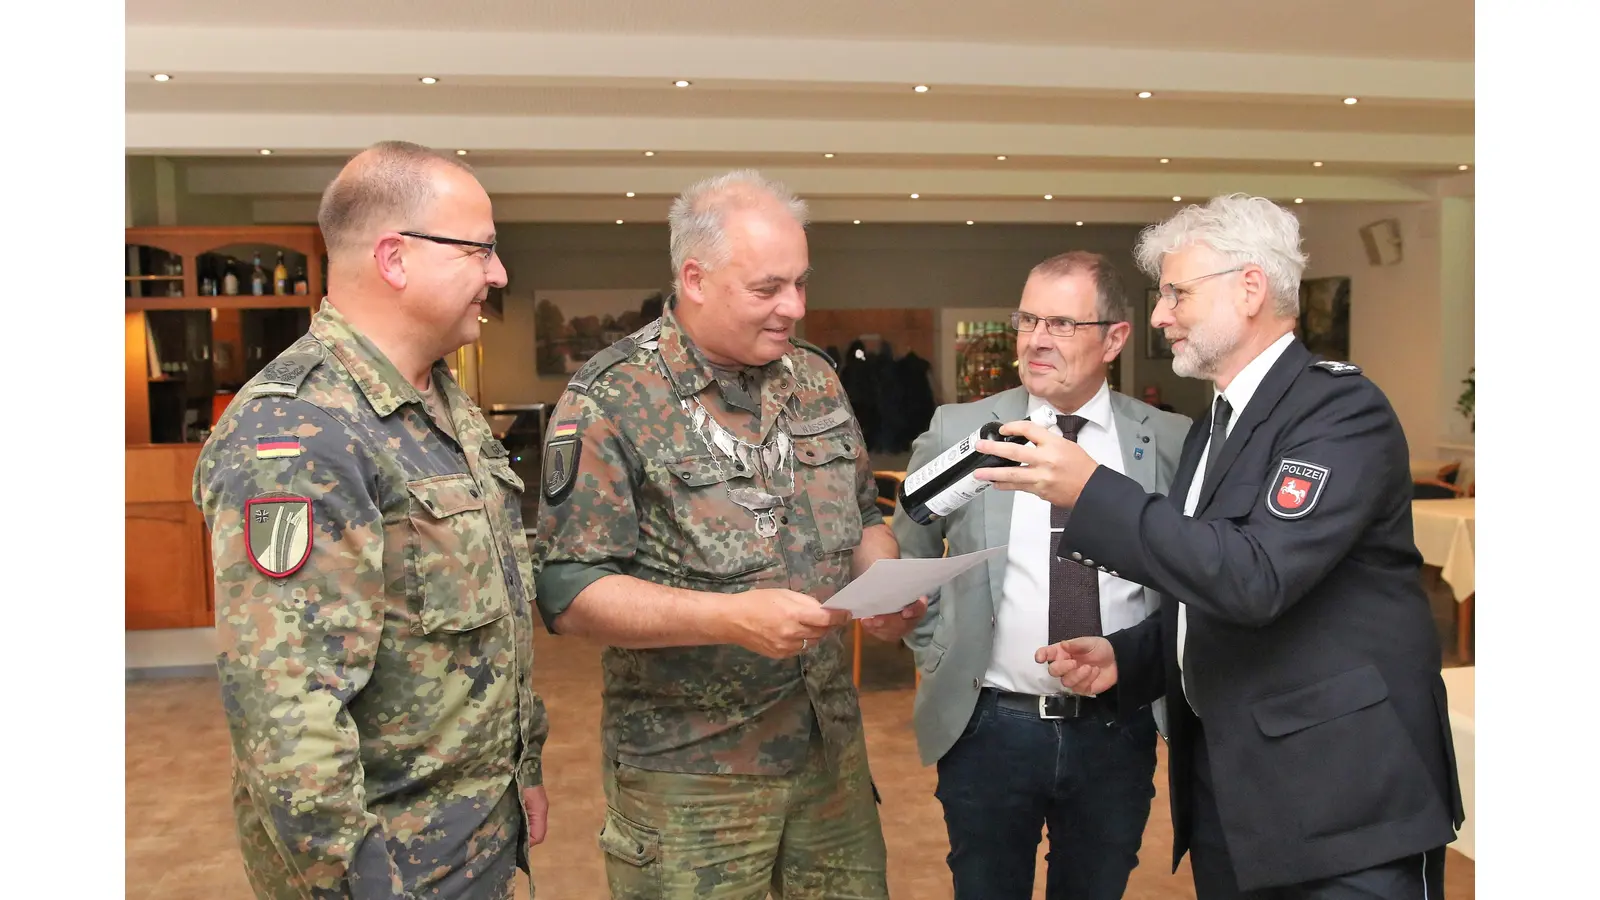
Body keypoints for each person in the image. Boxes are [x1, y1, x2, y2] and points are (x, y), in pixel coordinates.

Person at [973, 194, 1463, 899]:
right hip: (1240, 809)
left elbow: (1257, 577)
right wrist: (1131, 657)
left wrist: (1091, 491)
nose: (1162, 314)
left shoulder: (1338, 413)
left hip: (1343, 809)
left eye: (1176, 292)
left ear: (1250, 287)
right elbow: (1203, 579)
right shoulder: (1213, 427)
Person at [530, 169, 919, 899]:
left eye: (801, 284)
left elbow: (864, 514)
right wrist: (727, 619)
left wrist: (884, 585)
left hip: (829, 753)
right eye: (768, 289)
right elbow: (570, 592)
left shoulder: (815, 379)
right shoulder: (612, 397)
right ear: (695, 278)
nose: (795, 308)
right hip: (691, 775)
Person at [192, 140, 551, 900]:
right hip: (390, 871)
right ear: (394, 259)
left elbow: (483, 622)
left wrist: (525, 773)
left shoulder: (439, 405)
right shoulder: (297, 433)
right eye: (481, 249)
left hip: (474, 843)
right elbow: (289, 719)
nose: (499, 273)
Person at [892, 250, 1191, 900]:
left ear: (1115, 338)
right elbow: (904, 554)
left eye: (1060, 323)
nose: (1036, 340)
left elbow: (1194, 572)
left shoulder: (1168, 440)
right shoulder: (963, 429)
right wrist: (936, 645)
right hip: (989, 726)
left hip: (1118, 727)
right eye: (1027, 320)